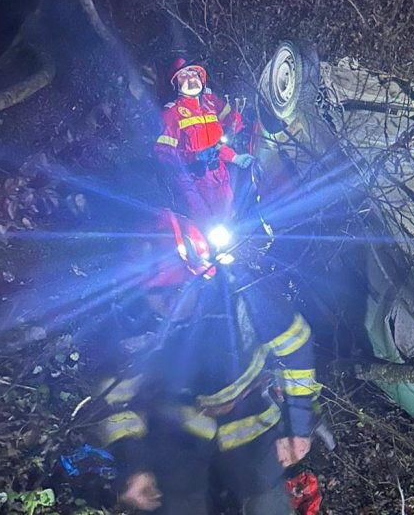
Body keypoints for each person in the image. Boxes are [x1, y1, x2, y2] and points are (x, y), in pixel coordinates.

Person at [91, 209, 318, 514]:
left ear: (203, 274)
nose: (171, 304)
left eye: (179, 288)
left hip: (250, 419)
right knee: (178, 504)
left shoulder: (244, 294)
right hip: (176, 431)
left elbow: (297, 352)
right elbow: (116, 400)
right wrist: (134, 466)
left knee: (266, 501)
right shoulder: (131, 321)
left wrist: (298, 427)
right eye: (159, 292)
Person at [154, 59, 255, 224]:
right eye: (184, 76)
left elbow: (218, 145)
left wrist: (235, 157)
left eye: (194, 74)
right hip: (192, 181)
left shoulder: (210, 105)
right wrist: (193, 159)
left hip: (219, 175)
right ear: (176, 84)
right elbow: (163, 153)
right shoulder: (171, 113)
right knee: (205, 223)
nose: (191, 79)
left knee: (228, 219)